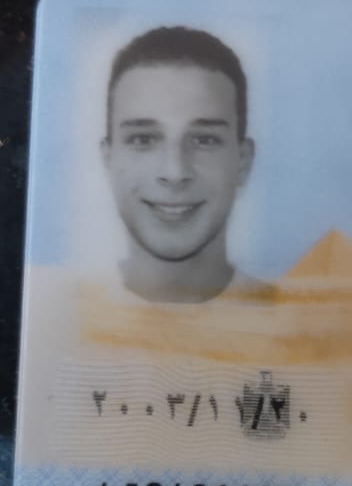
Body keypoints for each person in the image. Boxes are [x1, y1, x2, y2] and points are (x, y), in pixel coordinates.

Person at [102, 25, 268, 303]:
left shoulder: (303, 322)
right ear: (108, 160)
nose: (175, 172)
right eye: (143, 139)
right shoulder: (56, 313)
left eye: (204, 140)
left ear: (243, 162)